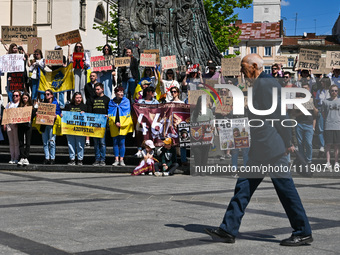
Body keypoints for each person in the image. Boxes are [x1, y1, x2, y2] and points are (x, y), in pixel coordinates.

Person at [205, 54, 312, 246]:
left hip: (271, 147)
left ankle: (303, 231)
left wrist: (288, 141)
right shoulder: (261, 84)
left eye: (243, 67)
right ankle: (228, 229)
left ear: (255, 66)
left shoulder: (266, 83)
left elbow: (280, 115)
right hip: (262, 148)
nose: (241, 71)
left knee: (286, 190)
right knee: (243, 187)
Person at [108, 86, 134, 166]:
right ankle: (116, 159)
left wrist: (121, 123)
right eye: (119, 92)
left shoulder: (126, 101)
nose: (122, 93)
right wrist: (115, 122)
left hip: (124, 124)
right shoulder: (111, 102)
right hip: (114, 124)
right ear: (115, 93)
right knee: (115, 142)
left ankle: (121, 159)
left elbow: (127, 113)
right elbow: (110, 113)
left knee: (122, 142)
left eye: (122, 92)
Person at [86, 83, 110, 166]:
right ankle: (97, 159)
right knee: (96, 143)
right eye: (95, 89)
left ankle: (103, 159)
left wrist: (108, 116)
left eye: (98, 89)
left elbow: (109, 111)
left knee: (102, 143)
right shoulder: (91, 99)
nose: (96, 91)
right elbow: (89, 111)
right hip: (94, 124)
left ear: (102, 89)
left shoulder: (107, 99)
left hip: (102, 125)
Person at [63, 92, 87, 166]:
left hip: (80, 128)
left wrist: (85, 114)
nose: (79, 99)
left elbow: (88, 118)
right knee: (71, 144)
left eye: (80, 97)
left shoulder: (84, 106)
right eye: (77, 98)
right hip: (70, 128)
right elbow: (64, 116)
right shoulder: (69, 106)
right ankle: (72, 159)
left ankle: (80, 159)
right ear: (74, 98)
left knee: (80, 145)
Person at [190, 96, 214, 168]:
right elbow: (191, 123)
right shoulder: (195, 112)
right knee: (197, 152)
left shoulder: (209, 111)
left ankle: (203, 169)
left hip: (206, 136)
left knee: (205, 153)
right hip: (196, 136)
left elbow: (212, 122)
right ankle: (198, 168)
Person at [39, 89, 61, 164]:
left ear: (52, 95)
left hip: (52, 124)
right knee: (45, 142)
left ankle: (52, 158)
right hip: (44, 125)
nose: (46, 96)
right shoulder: (43, 103)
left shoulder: (55, 103)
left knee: (52, 142)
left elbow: (59, 112)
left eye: (48, 94)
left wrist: (56, 115)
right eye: (45, 94)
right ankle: (47, 157)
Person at [322, 84, 340, 171]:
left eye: (336, 90)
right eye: (332, 90)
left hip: (338, 126)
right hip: (328, 125)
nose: (334, 92)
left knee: (336, 145)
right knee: (328, 145)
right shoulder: (325, 101)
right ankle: (328, 162)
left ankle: (336, 162)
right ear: (330, 91)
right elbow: (323, 113)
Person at [17, 92, 35, 166]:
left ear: (28, 98)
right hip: (20, 125)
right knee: (21, 141)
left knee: (28, 142)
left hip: (28, 125)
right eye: (23, 98)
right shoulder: (19, 106)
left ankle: (26, 157)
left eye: (26, 98)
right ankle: (22, 156)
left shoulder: (31, 106)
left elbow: (33, 116)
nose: (24, 99)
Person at [4, 90, 21, 164]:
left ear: (19, 96)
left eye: (16, 95)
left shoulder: (20, 105)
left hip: (16, 125)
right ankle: (12, 157)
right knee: (11, 142)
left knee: (16, 142)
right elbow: (5, 113)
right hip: (9, 124)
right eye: (14, 95)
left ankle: (16, 157)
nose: (15, 97)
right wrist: (4, 124)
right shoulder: (9, 104)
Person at [315, 77, 331, 157]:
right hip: (321, 110)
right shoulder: (320, 91)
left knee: (328, 128)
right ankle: (322, 146)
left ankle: (328, 144)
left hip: (329, 111)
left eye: (323, 82)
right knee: (320, 129)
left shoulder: (332, 91)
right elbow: (317, 100)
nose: (321, 83)